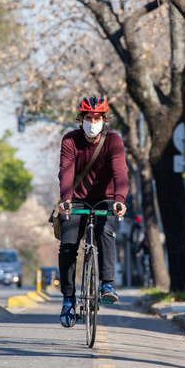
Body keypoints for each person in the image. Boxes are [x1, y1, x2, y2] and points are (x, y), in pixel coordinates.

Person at [57, 95, 128, 328]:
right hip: (76, 200)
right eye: (89, 117)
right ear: (81, 119)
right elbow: (66, 172)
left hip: (105, 200)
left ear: (104, 120)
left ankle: (107, 284)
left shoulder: (114, 141)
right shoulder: (70, 140)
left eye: (97, 118)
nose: (93, 122)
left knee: (105, 232)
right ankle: (68, 299)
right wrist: (65, 199)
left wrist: (119, 200)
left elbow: (120, 172)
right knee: (67, 246)